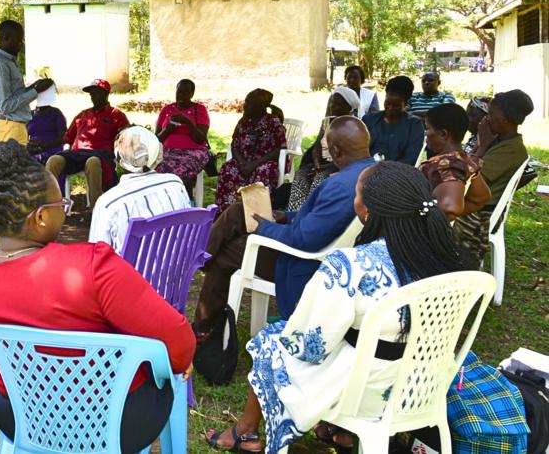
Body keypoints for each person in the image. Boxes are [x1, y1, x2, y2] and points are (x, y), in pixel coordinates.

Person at [0, 141, 195, 453]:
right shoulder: (93, 267)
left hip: (19, 416)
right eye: (61, 205)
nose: (65, 210)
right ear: (40, 219)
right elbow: (179, 344)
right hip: (118, 422)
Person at [206, 161, 463, 452]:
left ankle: (246, 432)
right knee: (357, 341)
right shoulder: (446, 259)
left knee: (270, 338)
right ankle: (340, 432)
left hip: (361, 393)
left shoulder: (350, 266)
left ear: (367, 210)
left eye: (357, 194)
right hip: (420, 384)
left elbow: (309, 347)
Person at [194, 117, 375, 333]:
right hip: (320, 247)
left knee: (227, 253)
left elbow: (304, 240)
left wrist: (264, 228)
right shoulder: (371, 172)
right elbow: (320, 219)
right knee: (238, 211)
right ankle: (200, 259)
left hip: (302, 262)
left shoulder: (340, 185)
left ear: (335, 150)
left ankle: (202, 322)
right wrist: (285, 216)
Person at [452, 89, 533, 268]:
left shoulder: (511, 150)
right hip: (468, 201)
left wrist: (482, 146)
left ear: (505, 119)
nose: (485, 119)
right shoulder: (497, 141)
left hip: (480, 213)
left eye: (491, 114)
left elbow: (466, 178)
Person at [88, 126, 192, 251]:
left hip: (130, 270)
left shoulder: (109, 203)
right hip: (178, 267)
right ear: (156, 152)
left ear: (119, 159)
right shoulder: (175, 183)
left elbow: (97, 254)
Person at [46, 79, 130, 207]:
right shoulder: (83, 115)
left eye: (96, 93)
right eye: (91, 94)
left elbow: (125, 137)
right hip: (77, 154)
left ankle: (95, 208)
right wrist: (45, 145)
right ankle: (50, 204)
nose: (93, 96)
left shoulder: (116, 115)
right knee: (54, 160)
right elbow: (67, 137)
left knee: (93, 162)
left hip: (100, 155)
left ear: (105, 93)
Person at [285, 86, 360, 211]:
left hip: (341, 166)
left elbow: (351, 156)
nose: (332, 107)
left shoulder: (354, 125)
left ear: (349, 107)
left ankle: (313, 216)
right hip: (322, 164)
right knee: (301, 176)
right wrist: (316, 163)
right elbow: (317, 146)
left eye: (338, 104)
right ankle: (296, 214)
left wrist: (326, 168)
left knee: (319, 180)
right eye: (332, 103)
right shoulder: (327, 122)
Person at [212, 89, 286, 212]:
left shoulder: (273, 122)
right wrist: (242, 164)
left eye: (249, 103)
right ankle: (226, 212)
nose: (245, 105)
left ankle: (256, 213)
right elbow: (234, 145)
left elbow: (280, 148)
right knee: (228, 169)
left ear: (260, 106)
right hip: (243, 162)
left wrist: (254, 164)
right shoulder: (243, 122)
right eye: (246, 101)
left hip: (265, 162)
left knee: (263, 172)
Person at [0, 20, 53, 144]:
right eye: (18, 41)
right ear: (6, 38)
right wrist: (35, 91)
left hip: (14, 127)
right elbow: (6, 105)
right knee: (14, 164)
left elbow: (14, 95)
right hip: (11, 128)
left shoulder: (7, 60)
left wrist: (34, 87)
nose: (21, 45)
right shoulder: (1, 63)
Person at [419, 103, 490, 221]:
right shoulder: (467, 162)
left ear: (443, 134)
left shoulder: (447, 165)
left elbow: (450, 207)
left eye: (428, 128)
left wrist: (421, 223)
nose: (426, 133)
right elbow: (480, 198)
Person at [154, 79, 211, 194]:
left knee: (181, 169)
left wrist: (188, 122)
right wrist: (166, 130)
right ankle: (163, 200)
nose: (181, 95)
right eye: (179, 92)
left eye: (185, 93)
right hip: (167, 151)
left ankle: (185, 200)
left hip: (193, 151)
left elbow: (200, 139)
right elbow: (156, 139)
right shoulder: (167, 109)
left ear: (192, 94)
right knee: (155, 167)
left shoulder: (199, 109)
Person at [362, 76, 425, 164]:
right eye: (388, 103)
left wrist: (389, 172)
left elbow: (411, 157)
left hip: (397, 173)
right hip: (365, 170)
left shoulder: (414, 125)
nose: (390, 108)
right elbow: (359, 150)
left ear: (406, 104)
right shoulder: (369, 120)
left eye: (396, 105)